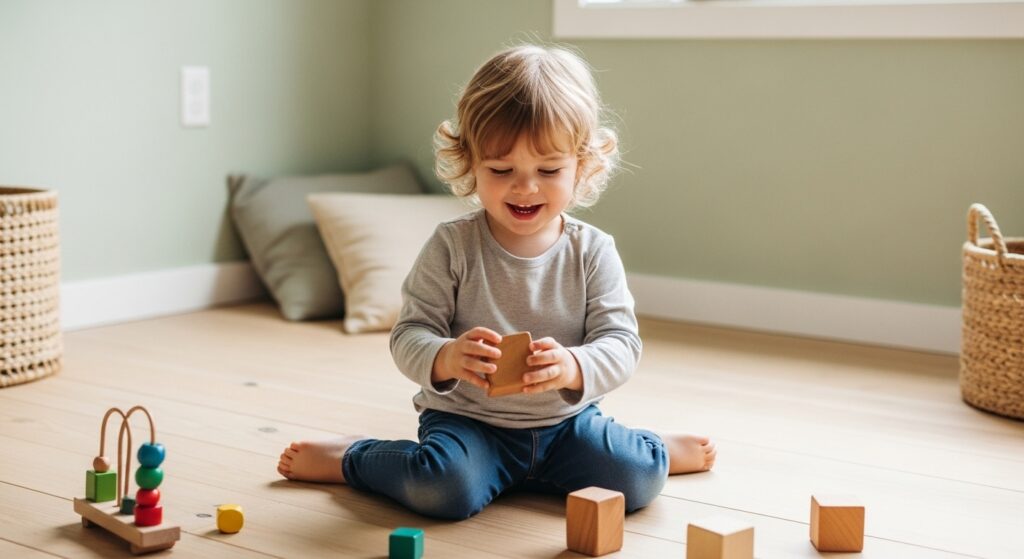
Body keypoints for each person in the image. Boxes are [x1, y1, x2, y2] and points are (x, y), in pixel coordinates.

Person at [277, 44, 715, 520]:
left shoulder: (592, 250)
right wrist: (447, 356)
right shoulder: (452, 246)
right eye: (501, 170)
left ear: (583, 166)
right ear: (469, 164)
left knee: (637, 479)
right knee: (440, 489)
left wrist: (572, 365)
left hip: (566, 423)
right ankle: (354, 458)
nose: (525, 187)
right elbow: (408, 335)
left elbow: (621, 343)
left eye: (549, 170)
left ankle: (655, 450)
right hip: (470, 424)